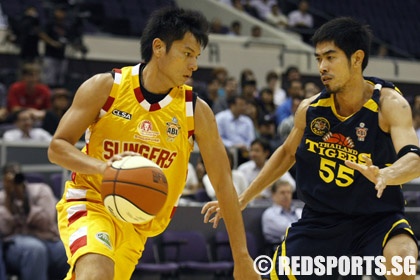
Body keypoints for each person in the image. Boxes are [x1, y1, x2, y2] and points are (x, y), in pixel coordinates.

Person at [47, 7, 259, 280]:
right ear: (159, 47)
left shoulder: (196, 111)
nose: (194, 65)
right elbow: (57, 147)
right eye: (187, 54)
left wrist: (242, 257)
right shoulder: (105, 87)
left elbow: (222, 183)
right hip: (91, 203)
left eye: (196, 56)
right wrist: (103, 170)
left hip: (138, 223)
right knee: (96, 273)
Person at [202, 17, 419, 279]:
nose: (322, 67)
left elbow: (414, 158)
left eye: (330, 57)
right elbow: (286, 153)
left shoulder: (389, 104)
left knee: (403, 262)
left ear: (357, 58)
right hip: (320, 221)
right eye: (318, 59)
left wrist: (388, 174)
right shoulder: (311, 109)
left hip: (376, 220)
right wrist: (243, 198)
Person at [0, 162, 68, 280]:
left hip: (47, 238)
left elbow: (47, 221)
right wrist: (9, 199)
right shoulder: (2, 197)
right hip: (16, 241)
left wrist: (24, 201)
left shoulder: (41, 190)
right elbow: (5, 229)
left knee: (67, 248)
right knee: (35, 249)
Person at [261, 180, 302, 251]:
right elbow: (291, 230)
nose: (286, 195)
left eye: (289, 192)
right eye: (282, 193)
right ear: (273, 195)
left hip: (301, 247)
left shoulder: (300, 211)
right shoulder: (269, 214)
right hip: (280, 251)